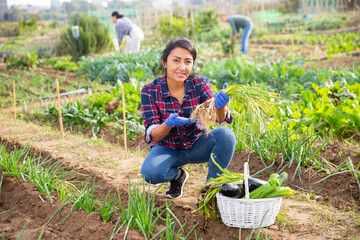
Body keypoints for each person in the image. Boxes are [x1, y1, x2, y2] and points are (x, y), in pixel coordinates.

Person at [140, 38, 236, 199]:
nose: (182, 67)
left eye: (187, 62)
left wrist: (221, 107)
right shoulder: (150, 91)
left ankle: (210, 190)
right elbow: (153, 135)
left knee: (226, 136)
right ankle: (178, 176)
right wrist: (168, 124)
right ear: (164, 62)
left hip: (198, 143)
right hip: (167, 147)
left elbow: (220, 120)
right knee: (151, 173)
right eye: (176, 60)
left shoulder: (200, 84)